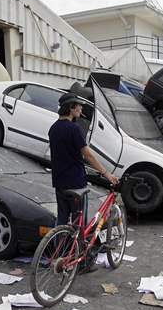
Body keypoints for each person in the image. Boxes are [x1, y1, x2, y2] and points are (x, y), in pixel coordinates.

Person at [48, 91, 119, 235]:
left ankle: (58, 252)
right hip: (76, 182)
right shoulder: (74, 129)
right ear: (70, 108)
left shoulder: (53, 128)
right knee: (79, 222)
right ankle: (79, 253)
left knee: (61, 219)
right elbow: (88, 155)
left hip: (59, 181)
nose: (81, 108)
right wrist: (107, 174)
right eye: (78, 106)